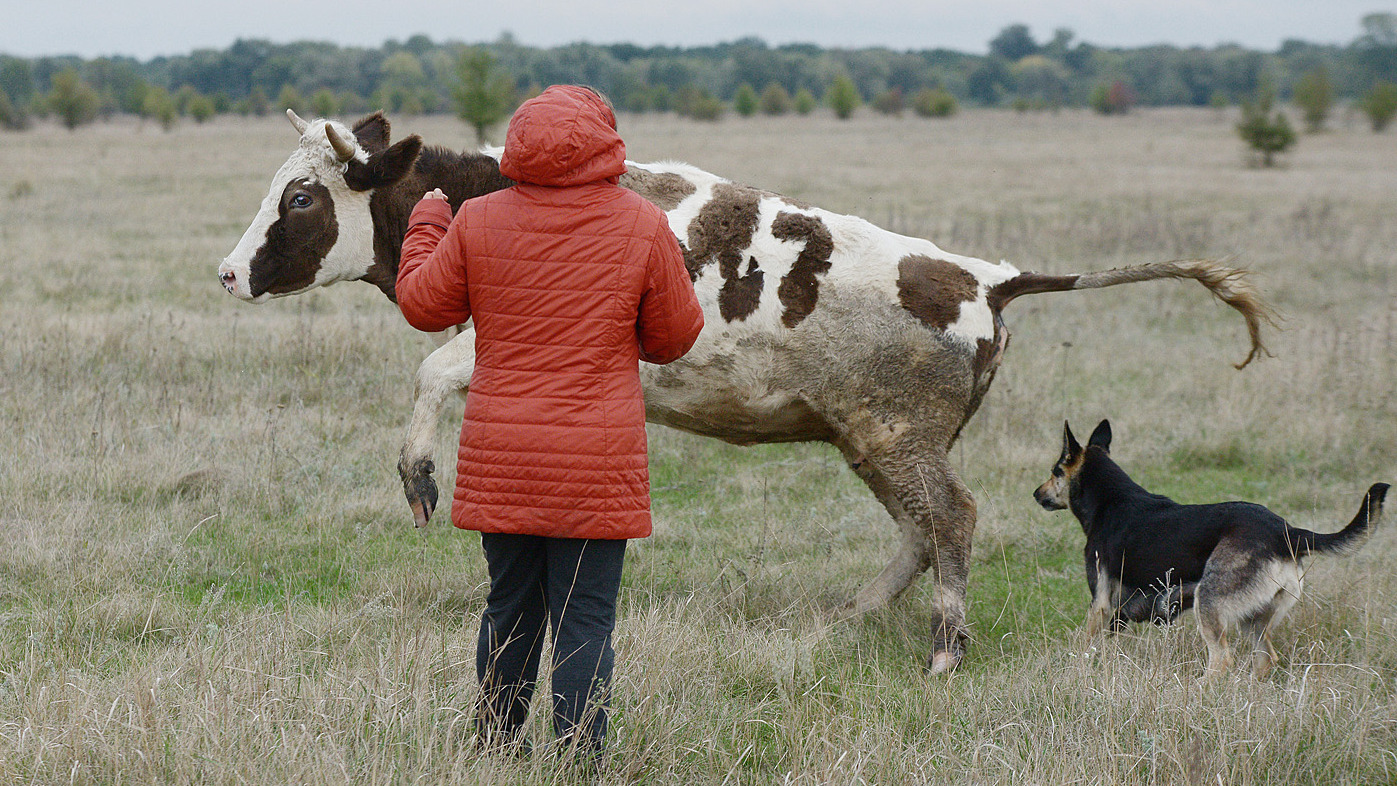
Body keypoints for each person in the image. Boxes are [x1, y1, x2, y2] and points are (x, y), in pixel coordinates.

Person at [395, 85, 704, 757]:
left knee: (510, 607)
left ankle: (498, 747)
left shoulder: (476, 220)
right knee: (584, 617)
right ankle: (579, 760)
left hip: (502, 454)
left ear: (516, 144)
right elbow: (675, 336)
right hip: (594, 459)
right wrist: (624, 334)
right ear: (605, 141)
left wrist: (425, 227)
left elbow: (422, 305)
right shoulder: (642, 223)